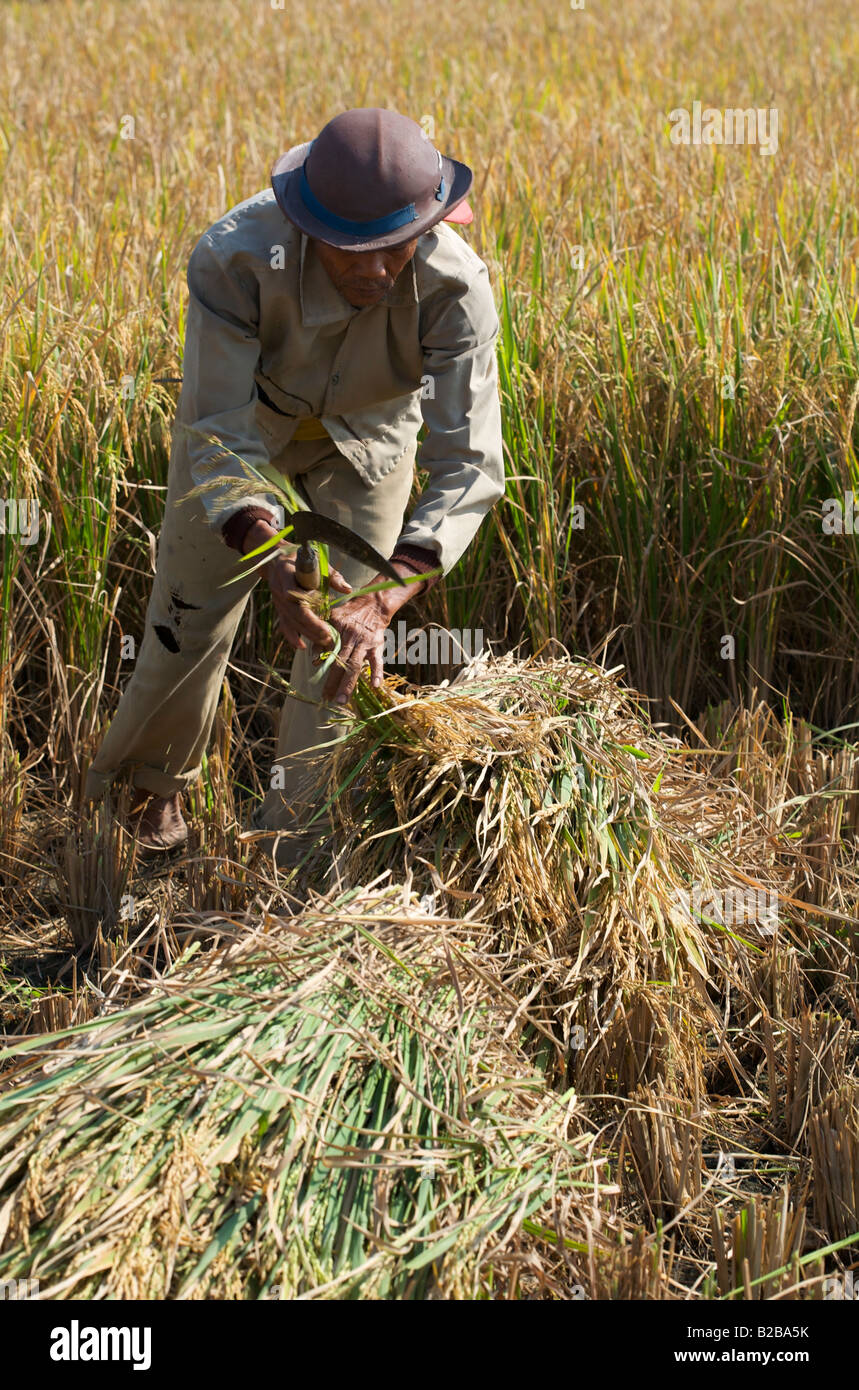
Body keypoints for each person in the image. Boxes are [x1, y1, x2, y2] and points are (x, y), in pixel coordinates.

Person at [84, 107, 505, 864]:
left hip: (371, 431)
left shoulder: (456, 286)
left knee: (345, 641)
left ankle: (297, 835)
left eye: (396, 246)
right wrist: (270, 554)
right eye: (354, 252)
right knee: (189, 611)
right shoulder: (235, 258)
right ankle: (148, 794)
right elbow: (216, 429)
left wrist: (386, 594)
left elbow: (468, 463)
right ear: (306, 228)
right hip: (253, 425)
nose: (376, 270)